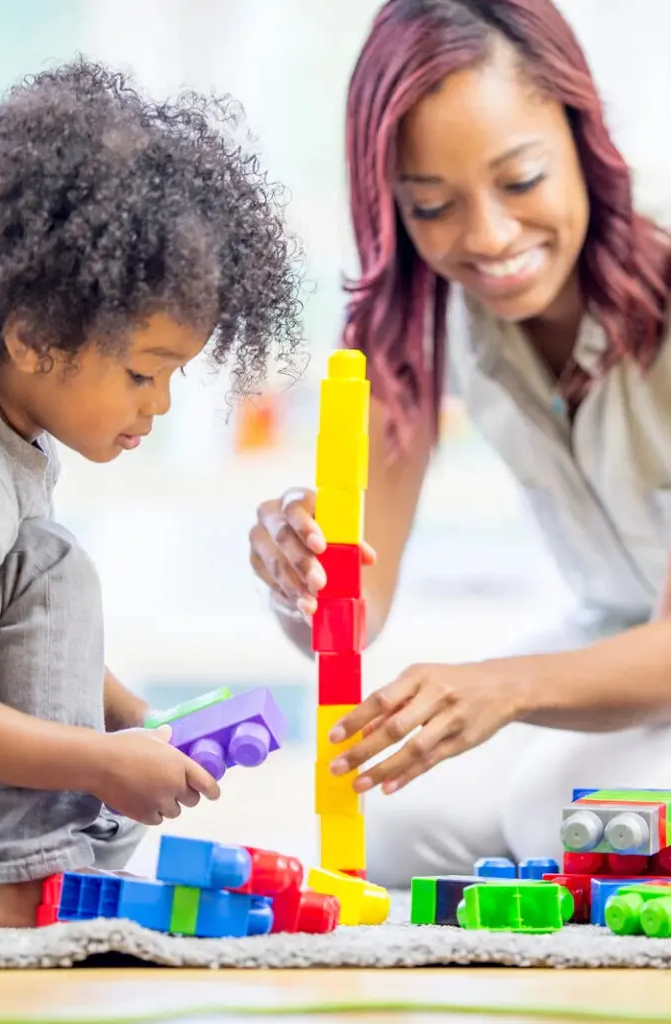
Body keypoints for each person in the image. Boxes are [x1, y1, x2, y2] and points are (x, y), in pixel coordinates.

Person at [249, 0, 671, 888]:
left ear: (582, 137)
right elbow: (353, 611)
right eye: (433, 205)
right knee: (399, 815)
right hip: (611, 654)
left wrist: (503, 684)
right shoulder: (414, 319)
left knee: (553, 816)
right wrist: (302, 580)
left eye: (520, 181)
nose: (486, 238)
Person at [0, 59, 303, 926]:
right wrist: (93, 759)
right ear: (35, 337)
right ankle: (9, 887)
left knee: (110, 762)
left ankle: (30, 867)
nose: (157, 404)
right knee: (55, 566)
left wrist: (128, 722)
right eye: (143, 373)